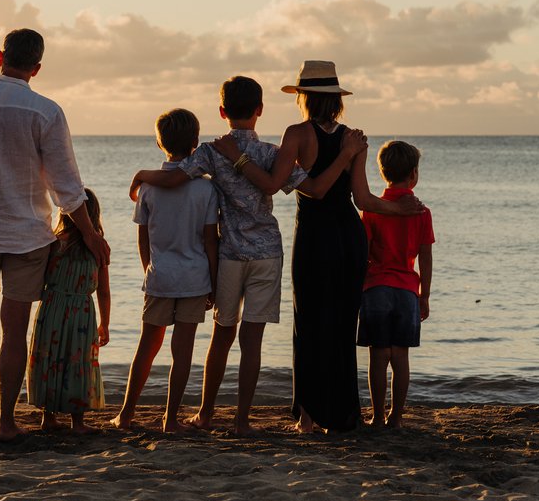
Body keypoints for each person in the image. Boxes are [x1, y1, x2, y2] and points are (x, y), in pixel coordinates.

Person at [129, 76, 364, 435]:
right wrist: (346, 156)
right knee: (251, 340)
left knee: (223, 336)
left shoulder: (209, 151)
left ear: (222, 111)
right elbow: (315, 189)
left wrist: (141, 175)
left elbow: (175, 178)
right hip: (268, 253)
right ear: (260, 110)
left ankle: (206, 414)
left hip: (230, 254)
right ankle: (241, 421)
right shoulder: (271, 153)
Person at [212, 61, 422, 433]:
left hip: (316, 237)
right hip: (348, 238)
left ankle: (309, 417)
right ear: (336, 102)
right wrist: (397, 207)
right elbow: (362, 199)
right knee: (340, 327)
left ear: (304, 99)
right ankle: (340, 415)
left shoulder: (296, 134)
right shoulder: (352, 138)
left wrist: (236, 157)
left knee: (310, 324)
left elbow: (279, 184)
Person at [0, 28, 109, 442]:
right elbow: (67, 187)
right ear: (36, 68)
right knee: (13, 329)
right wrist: (90, 234)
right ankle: (5, 421)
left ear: (0, 57)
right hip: (29, 235)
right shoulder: (46, 111)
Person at [110, 109, 219, 432]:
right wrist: (213, 281)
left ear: (160, 143)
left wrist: (149, 269)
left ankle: (126, 413)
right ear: (196, 143)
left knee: (147, 347)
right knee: (181, 353)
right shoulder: (206, 190)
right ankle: (170, 419)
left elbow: (143, 237)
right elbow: (210, 240)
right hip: (194, 278)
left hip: (161, 276)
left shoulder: (147, 188)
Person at [358, 140, 434, 428]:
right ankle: (397, 417)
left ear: (382, 173)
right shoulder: (421, 212)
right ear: (413, 174)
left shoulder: (374, 209)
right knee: (400, 355)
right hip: (405, 290)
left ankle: (377, 416)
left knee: (378, 355)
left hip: (376, 287)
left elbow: (363, 252)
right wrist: (424, 296)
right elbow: (425, 257)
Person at [27, 188, 110, 434]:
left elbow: (39, 279)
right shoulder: (99, 247)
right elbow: (103, 291)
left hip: (51, 308)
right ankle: (78, 422)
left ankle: (48, 417)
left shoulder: (54, 243)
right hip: (81, 311)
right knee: (79, 362)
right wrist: (105, 323)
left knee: (49, 358)